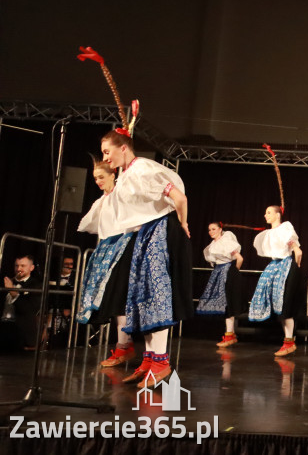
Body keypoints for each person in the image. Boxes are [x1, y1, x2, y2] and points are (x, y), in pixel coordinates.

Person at [100, 130, 192, 388]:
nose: (105, 158)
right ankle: (150, 359)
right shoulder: (128, 173)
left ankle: (161, 361)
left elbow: (179, 198)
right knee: (144, 297)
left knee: (156, 296)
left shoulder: (142, 170)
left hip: (161, 231)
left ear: (124, 148)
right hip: (148, 233)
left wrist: (183, 225)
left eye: (108, 151)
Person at [75, 158, 137, 367]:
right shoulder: (102, 200)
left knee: (118, 297)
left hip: (124, 246)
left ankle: (124, 347)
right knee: (112, 298)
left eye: (101, 177)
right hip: (108, 247)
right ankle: (124, 345)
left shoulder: (122, 195)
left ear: (113, 175)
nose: (98, 181)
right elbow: (88, 224)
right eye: (95, 178)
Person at [249, 205, 303, 356]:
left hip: (286, 265)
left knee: (285, 305)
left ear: (278, 215)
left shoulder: (285, 227)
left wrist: (296, 261)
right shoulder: (268, 233)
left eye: (269, 212)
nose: (265, 215)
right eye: (265, 212)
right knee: (278, 305)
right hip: (275, 265)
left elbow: (295, 247)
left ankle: (289, 342)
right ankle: (288, 342)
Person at [196, 222, 245, 347]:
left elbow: (239, 258)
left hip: (227, 272)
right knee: (223, 305)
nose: (211, 231)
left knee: (227, 304)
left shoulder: (226, 242)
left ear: (220, 229)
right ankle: (231, 334)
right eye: (209, 230)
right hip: (218, 272)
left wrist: (234, 273)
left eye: (213, 229)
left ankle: (229, 335)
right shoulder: (213, 244)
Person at [2, 255, 43, 352]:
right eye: (16, 266)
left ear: (31, 268)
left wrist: (12, 291)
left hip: (21, 334)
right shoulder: (6, 282)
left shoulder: (36, 285)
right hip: (3, 328)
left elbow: (28, 309)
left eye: (22, 266)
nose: (18, 269)